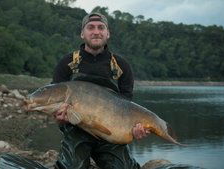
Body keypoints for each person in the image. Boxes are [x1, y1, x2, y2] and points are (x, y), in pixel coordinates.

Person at [51, 12, 150, 169]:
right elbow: (54, 104)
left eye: (101, 27)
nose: (96, 31)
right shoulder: (67, 63)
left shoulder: (121, 65)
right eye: (90, 27)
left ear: (107, 33)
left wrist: (134, 130)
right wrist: (60, 117)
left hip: (109, 132)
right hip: (76, 130)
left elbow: (126, 108)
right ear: (82, 33)